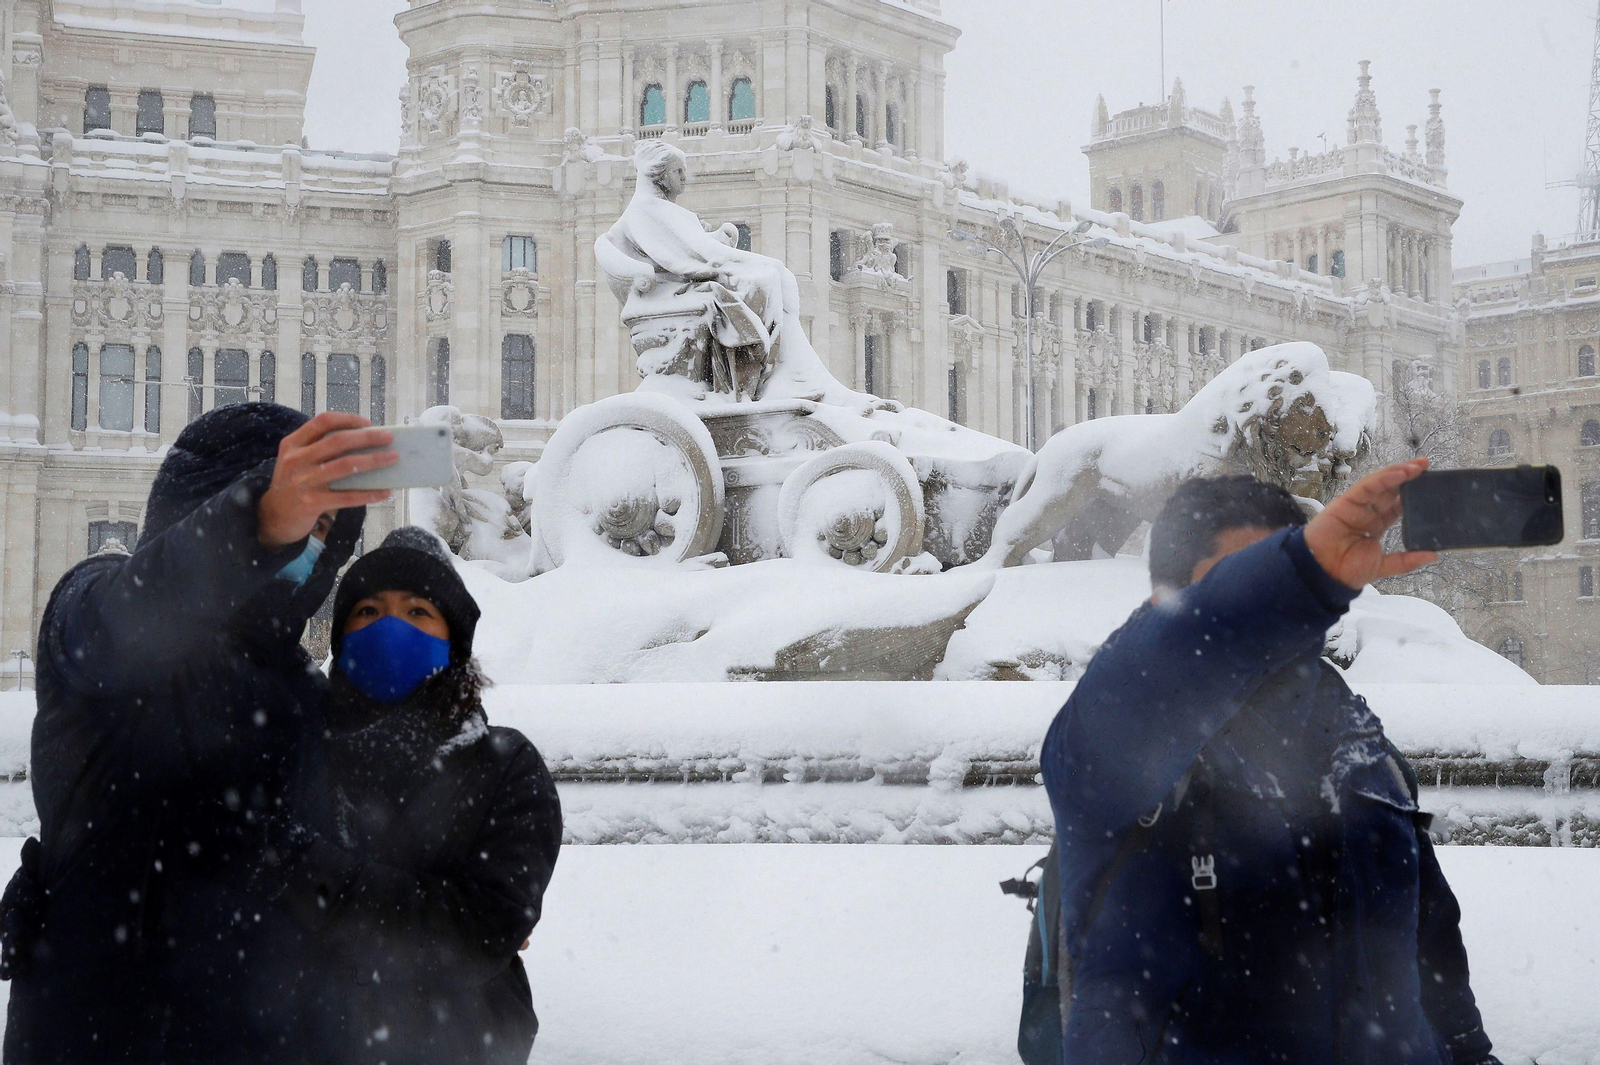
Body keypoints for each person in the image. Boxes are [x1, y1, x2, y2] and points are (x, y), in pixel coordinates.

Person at [1040, 461, 1501, 1065]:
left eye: (1274, 579)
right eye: (1239, 584)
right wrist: (1300, 573)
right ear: (1166, 601)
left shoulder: (1367, 755)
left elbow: (1432, 952)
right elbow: (1142, 682)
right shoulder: (1117, 745)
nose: (1269, 614)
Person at [1, 404, 395, 1064]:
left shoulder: (304, 691)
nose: (307, 546)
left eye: (323, 530)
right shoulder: (94, 610)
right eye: (298, 519)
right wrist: (256, 523)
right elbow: (139, 613)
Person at [283, 527, 562, 1065]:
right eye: (368, 611)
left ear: (451, 638)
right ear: (342, 636)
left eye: (416, 612)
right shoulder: (296, 749)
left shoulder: (506, 767)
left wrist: (306, 871)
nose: (390, 628)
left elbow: (479, 932)